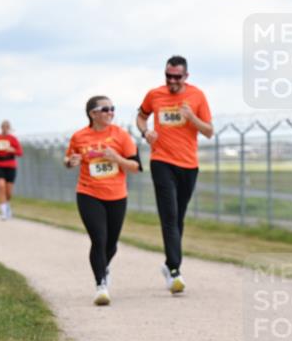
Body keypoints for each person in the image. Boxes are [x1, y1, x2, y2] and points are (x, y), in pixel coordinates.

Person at [136, 55, 213, 294]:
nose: (172, 80)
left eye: (176, 77)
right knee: (169, 216)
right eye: (168, 76)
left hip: (188, 165)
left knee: (178, 217)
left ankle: (169, 264)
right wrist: (145, 132)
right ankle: (175, 271)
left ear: (186, 76)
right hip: (161, 161)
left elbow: (209, 131)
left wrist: (192, 118)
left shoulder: (197, 96)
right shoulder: (154, 94)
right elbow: (141, 115)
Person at [65, 96, 141, 305]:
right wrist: (71, 161)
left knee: (111, 244)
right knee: (99, 239)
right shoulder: (80, 136)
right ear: (93, 114)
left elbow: (135, 167)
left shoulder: (121, 135)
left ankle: (103, 267)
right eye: (105, 109)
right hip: (88, 193)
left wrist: (116, 158)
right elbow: (69, 158)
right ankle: (101, 285)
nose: (110, 113)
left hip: (117, 195)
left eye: (112, 109)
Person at [0, 120, 23, 220]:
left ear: (9, 128)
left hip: (10, 165)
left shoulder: (13, 139)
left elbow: (20, 152)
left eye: (7, 127)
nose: (5, 129)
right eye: (4, 127)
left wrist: (13, 150)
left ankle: (7, 206)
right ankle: (3, 212)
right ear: (1, 127)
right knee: (1, 187)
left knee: (8, 192)